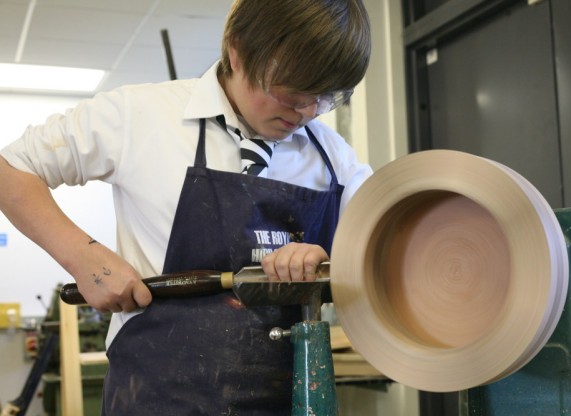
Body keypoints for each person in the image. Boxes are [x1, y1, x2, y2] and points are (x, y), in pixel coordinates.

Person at [0, 0, 372, 414]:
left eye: (325, 97)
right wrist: (84, 258)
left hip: (291, 402)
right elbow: (12, 168)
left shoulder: (333, 158)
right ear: (237, 49)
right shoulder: (139, 116)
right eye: (290, 91)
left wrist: (328, 263)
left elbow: (386, 246)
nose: (306, 111)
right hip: (159, 398)